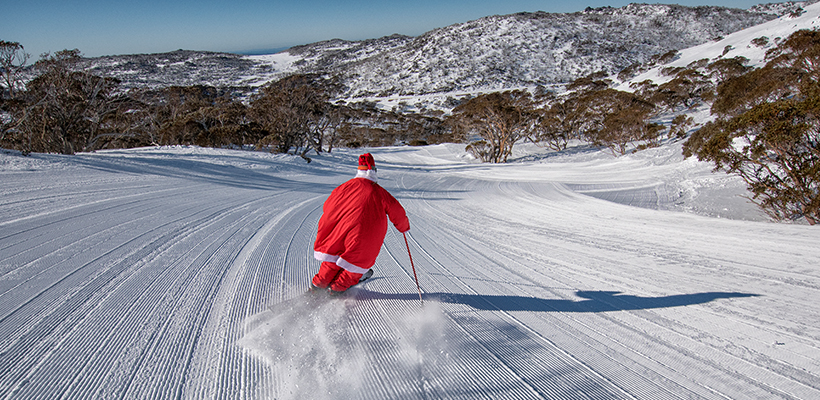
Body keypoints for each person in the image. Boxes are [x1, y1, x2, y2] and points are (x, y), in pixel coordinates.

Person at [311, 153, 410, 294]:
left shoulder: (343, 187)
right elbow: (397, 212)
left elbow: (328, 205)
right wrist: (404, 227)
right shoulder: (379, 192)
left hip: (337, 230)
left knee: (331, 260)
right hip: (362, 235)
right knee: (356, 263)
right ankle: (336, 290)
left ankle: (318, 285)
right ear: (373, 172)